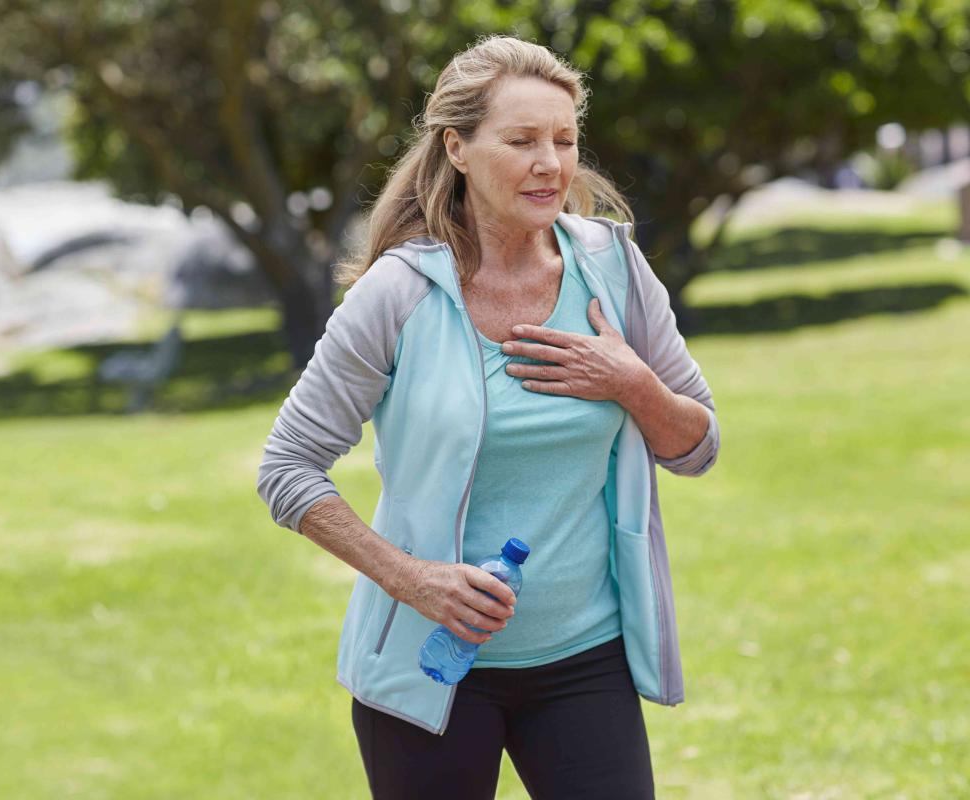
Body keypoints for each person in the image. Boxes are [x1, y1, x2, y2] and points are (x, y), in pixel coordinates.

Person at [257, 34, 720, 799]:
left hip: (585, 662)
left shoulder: (615, 269)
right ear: (458, 148)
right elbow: (285, 470)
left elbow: (696, 447)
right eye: (522, 141)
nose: (551, 163)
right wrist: (413, 580)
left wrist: (632, 383)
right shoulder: (397, 295)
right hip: (428, 667)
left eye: (565, 140)